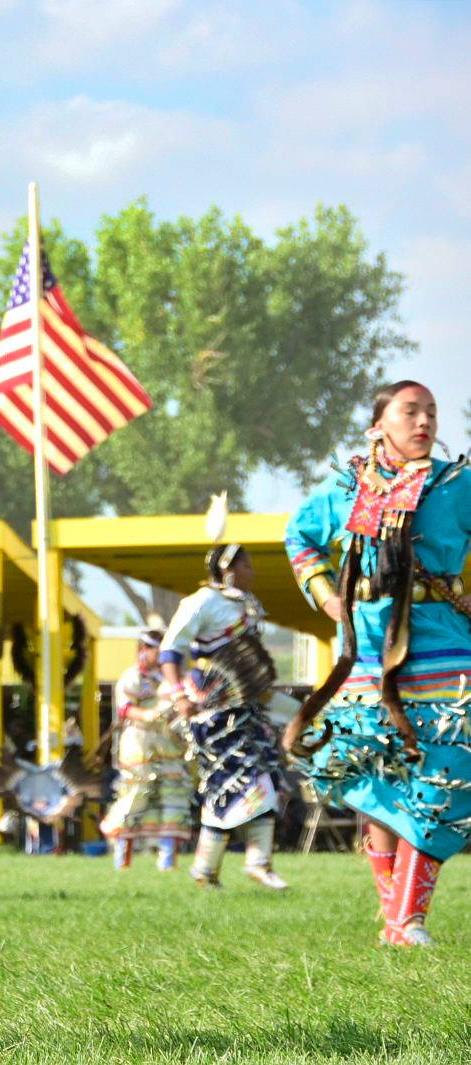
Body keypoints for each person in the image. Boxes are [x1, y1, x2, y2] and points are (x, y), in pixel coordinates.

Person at [285, 380, 471, 946]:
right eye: (410, 411)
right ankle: (397, 915)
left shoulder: (455, 484)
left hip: (441, 643)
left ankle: (408, 917)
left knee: (445, 767)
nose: (424, 422)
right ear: (379, 422)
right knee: (375, 768)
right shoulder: (346, 487)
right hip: (366, 648)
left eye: (432, 413)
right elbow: (300, 537)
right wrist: (325, 596)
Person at [161, 545, 290, 891]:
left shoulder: (247, 603)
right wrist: (179, 695)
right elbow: (170, 649)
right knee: (247, 775)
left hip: (247, 705)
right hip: (212, 707)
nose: (254, 571)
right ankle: (258, 863)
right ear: (228, 568)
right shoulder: (202, 601)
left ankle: (206, 870)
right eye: (248, 565)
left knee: (252, 779)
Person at [99, 628, 191, 870]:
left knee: (173, 797)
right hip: (139, 741)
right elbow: (125, 709)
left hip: (169, 743)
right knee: (136, 795)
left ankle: (168, 862)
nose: (161, 656)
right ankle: (122, 862)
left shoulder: (170, 678)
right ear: (144, 650)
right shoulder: (132, 677)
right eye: (157, 650)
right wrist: (149, 713)